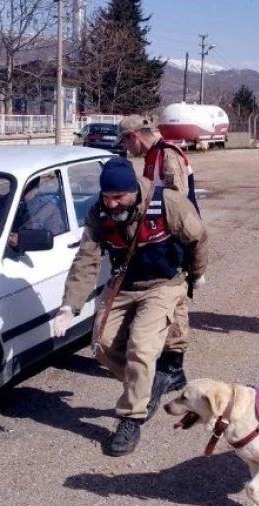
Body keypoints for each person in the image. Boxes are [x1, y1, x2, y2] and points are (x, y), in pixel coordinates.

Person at [52, 157, 208, 457]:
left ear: (134, 191)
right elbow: (87, 259)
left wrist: (198, 274)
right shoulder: (99, 212)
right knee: (101, 344)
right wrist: (69, 306)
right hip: (124, 285)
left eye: (118, 197)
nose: (112, 204)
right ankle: (145, 384)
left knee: (141, 347)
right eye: (107, 197)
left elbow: (198, 237)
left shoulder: (168, 204)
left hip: (163, 284)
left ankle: (131, 418)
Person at [117, 115, 202, 414]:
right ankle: (173, 366)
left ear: (134, 136)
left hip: (175, 235)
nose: (127, 149)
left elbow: (177, 201)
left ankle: (173, 366)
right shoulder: (154, 154)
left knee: (176, 297)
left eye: (126, 142)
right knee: (174, 302)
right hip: (164, 235)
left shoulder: (166, 154)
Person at [8, 174, 66, 250]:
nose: (19, 195)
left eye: (24, 190)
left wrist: (21, 240)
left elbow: (53, 242)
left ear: (36, 190)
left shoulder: (50, 210)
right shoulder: (5, 204)